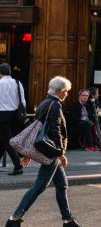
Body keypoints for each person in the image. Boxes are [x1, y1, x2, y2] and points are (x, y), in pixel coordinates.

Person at [5, 76, 81, 227]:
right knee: (40, 185)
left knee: (62, 184)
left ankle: (68, 220)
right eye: (66, 91)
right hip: (51, 150)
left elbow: (36, 129)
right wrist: (60, 154)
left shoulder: (45, 102)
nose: (67, 94)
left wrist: (28, 154)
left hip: (48, 148)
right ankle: (14, 219)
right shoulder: (55, 105)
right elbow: (55, 130)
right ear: (60, 91)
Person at [0, 63, 25, 176]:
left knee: (7, 141)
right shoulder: (17, 83)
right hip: (15, 116)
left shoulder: (0, 83)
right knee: (3, 139)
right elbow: (22, 100)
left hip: (2, 115)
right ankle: (17, 166)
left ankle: (18, 166)